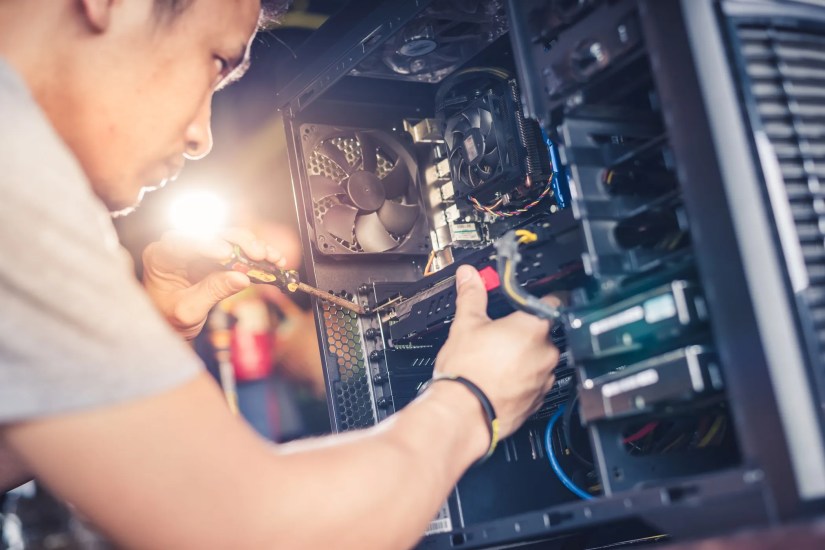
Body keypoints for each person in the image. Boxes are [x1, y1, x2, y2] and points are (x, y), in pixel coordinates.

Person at [0, 0, 560, 548]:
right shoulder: (17, 169)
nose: (202, 137)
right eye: (218, 60)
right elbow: (247, 530)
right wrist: (471, 402)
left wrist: (130, 352)